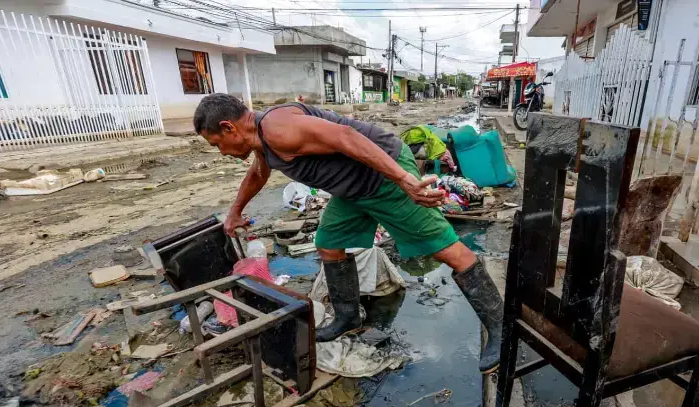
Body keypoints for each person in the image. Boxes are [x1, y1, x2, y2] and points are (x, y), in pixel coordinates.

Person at [193, 93, 503, 373]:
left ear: (229, 127)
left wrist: (405, 180)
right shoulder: (263, 138)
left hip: (385, 178)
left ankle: (501, 329)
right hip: (352, 190)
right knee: (328, 243)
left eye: (216, 143)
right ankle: (347, 317)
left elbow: (346, 136)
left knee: (447, 250)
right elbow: (259, 171)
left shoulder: (278, 128)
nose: (221, 153)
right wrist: (235, 210)